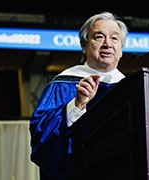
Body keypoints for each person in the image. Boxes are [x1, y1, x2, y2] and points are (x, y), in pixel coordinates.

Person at [29, 11, 129, 180]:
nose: (107, 44)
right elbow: (41, 140)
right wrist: (76, 106)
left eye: (114, 38)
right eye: (99, 37)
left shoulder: (129, 88)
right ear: (84, 46)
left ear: (121, 50)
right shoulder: (62, 85)